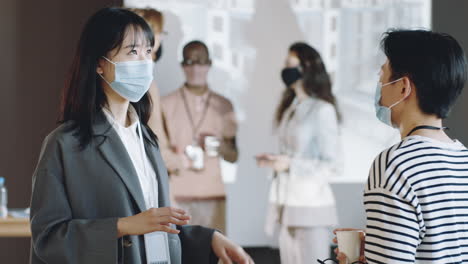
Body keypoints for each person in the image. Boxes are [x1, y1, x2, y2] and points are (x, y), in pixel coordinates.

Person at [29, 7, 253, 264]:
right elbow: (48, 238)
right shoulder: (65, 143)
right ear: (100, 64)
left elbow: (154, 229)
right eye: (132, 51)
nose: (144, 62)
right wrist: (122, 226)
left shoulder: (146, 139)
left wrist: (209, 239)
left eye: (148, 51)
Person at [333, 29, 468, 263]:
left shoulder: (394, 165)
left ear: (403, 87)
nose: (379, 85)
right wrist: (380, 248)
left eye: (382, 75)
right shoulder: (463, 159)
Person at [256, 42, 342, 263]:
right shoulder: (292, 107)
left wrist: (290, 164)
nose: (284, 69)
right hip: (287, 204)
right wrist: (275, 162)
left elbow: (331, 164)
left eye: (289, 64)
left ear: (306, 68)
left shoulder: (323, 110)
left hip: (311, 207)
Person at [160, 40, 238, 233]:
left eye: (201, 61)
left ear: (210, 64)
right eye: (189, 61)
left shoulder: (224, 105)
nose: (195, 67)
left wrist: (219, 146)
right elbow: (158, 153)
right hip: (177, 196)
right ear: (182, 65)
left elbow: (233, 156)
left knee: (215, 255)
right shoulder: (165, 104)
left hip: (212, 195)